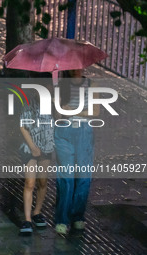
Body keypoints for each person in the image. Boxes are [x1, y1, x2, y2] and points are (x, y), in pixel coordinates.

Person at [54, 69, 99, 235]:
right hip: (63, 132)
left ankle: (78, 216)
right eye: (71, 66)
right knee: (65, 177)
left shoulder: (91, 85)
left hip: (84, 132)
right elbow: (58, 117)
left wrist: (74, 111)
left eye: (78, 65)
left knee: (84, 177)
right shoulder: (60, 86)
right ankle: (62, 219)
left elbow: (95, 112)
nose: (75, 69)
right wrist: (57, 104)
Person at [19, 87, 54, 234]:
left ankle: (37, 212)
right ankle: (27, 219)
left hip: (47, 146)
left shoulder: (53, 105)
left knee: (42, 182)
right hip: (30, 148)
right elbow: (23, 127)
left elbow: (60, 121)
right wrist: (33, 147)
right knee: (30, 183)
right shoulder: (28, 104)